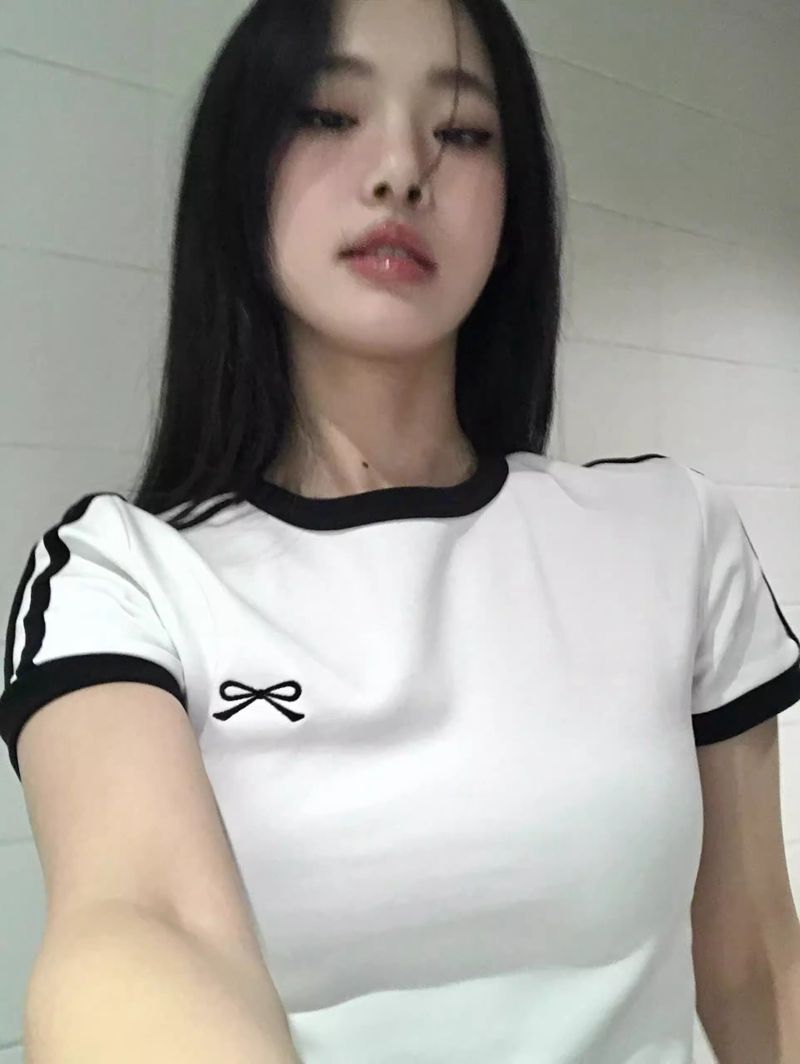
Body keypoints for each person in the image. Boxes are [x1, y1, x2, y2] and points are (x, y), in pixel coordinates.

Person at [3, 0, 800, 1061]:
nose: (399, 172)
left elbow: (753, 960)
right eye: (328, 115)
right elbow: (142, 928)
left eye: (461, 133)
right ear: (239, 169)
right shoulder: (120, 576)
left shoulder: (674, 534)